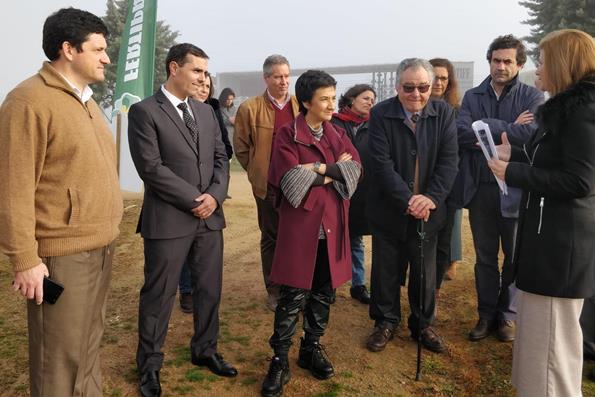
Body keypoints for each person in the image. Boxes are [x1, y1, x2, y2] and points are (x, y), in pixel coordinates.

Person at [0, 8, 123, 397]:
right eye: (98, 49)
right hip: (61, 256)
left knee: (86, 351)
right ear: (68, 49)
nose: (106, 57)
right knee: (58, 361)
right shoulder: (28, 101)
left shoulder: (86, 101)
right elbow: (13, 187)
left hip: (99, 246)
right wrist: (25, 259)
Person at [487, 28, 595, 396]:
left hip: (559, 249)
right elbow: (552, 162)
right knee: (539, 345)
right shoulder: (568, 110)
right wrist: (511, 155)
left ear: (563, 64)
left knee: (552, 351)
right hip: (545, 243)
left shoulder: (583, 112)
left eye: (544, 61)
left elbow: (580, 181)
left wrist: (513, 172)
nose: (537, 69)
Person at [128, 43, 236, 397]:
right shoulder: (144, 112)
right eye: (197, 71)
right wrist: (196, 200)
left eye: (205, 72)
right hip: (169, 220)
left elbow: (222, 158)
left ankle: (205, 350)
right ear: (174, 68)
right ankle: (149, 367)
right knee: (159, 295)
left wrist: (215, 196)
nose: (203, 78)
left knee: (209, 290)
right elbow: (151, 168)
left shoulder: (205, 112)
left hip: (209, 219)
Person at [261, 70, 361, 397]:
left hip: (331, 228)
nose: (332, 104)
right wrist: (335, 172)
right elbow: (290, 183)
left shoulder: (336, 134)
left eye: (334, 97)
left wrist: (317, 169)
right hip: (301, 228)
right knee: (292, 295)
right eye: (325, 99)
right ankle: (279, 358)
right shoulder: (287, 135)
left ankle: (311, 347)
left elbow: (354, 172)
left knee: (322, 292)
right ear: (306, 102)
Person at [454, 35, 544, 343]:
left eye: (508, 61)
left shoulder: (533, 96)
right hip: (481, 189)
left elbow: (530, 136)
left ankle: (508, 316)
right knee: (484, 258)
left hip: (517, 189)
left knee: (514, 258)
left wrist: (487, 124)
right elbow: (462, 135)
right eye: (496, 60)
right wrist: (507, 126)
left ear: (520, 64)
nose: (501, 66)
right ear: (489, 61)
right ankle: (486, 314)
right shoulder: (472, 96)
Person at [365, 58, 458, 354]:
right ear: (396, 86)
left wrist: (429, 198)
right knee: (386, 269)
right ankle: (385, 321)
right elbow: (380, 164)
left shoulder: (443, 112)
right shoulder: (380, 113)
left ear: (431, 87)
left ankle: (422, 324)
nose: (416, 94)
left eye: (422, 87)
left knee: (425, 272)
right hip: (390, 209)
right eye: (408, 87)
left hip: (429, 211)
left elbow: (449, 161)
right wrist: (407, 200)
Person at [234, 54, 300, 311]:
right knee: (271, 238)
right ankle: (274, 289)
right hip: (268, 187)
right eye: (277, 76)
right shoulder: (250, 108)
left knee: (296, 236)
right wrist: (256, 173)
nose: (284, 81)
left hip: (298, 185)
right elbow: (241, 148)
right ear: (266, 78)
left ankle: (295, 286)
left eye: (286, 76)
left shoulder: (299, 106)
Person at [177, 73, 233, 313]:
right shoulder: (171, 112)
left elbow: (224, 152)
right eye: (199, 84)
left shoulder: (211, 112)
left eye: (207, 86)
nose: (203, 89)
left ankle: (202, 294)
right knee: (182, 248)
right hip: (180, 196)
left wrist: (215, 192)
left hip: (210, 192)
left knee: (205, 252)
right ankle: (186, 290)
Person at [331, 84, 376, 304]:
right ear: (351, 100)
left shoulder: (374, 125)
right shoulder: (334, 123)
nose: (370, 102)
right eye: (366, 98)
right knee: (334, 239)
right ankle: (329, 285)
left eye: (372, 99)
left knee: (356, 240)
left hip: (364, 192)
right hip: (338, 189)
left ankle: (358, 284)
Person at [429, 58, 463, 285]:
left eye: (444, 78)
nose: (439, 82)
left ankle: (450, 263)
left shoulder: (457, 110)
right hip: (423, 177)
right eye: (435, 77)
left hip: (450, 177)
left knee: (452, 225)